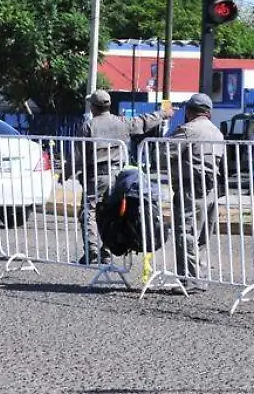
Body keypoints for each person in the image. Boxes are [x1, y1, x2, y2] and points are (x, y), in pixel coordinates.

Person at [74, 89, 171, 264]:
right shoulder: (122, 122)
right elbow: (144, 121)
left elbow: (79, 155)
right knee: (112, 213)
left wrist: (68, 171)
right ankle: (106, 249)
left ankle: (92, 251)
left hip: (97, 174)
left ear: (93, 107)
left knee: (90, 212)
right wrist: (163, 114)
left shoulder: (88, 126)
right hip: (118, 175)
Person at [170, 93, 225, 292]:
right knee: (202, 234)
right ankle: (200, 277)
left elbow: (162, 153)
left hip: (190, 187)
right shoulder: (217, 132)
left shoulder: (188, 130)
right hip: (211, 189)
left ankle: (189, 279)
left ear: (189, 111)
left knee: (186, 231)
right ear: (208, 112)